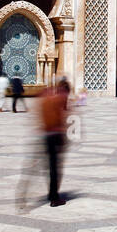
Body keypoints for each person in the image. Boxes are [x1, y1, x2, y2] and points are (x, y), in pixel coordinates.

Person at [40, 79, 71, 208]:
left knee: (51, 167)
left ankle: (52, 194)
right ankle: (54, 198)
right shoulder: (60, 98)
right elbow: (59, 118)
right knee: (55, 169)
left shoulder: (48, 99)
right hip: (54, 136)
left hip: (45, 136)